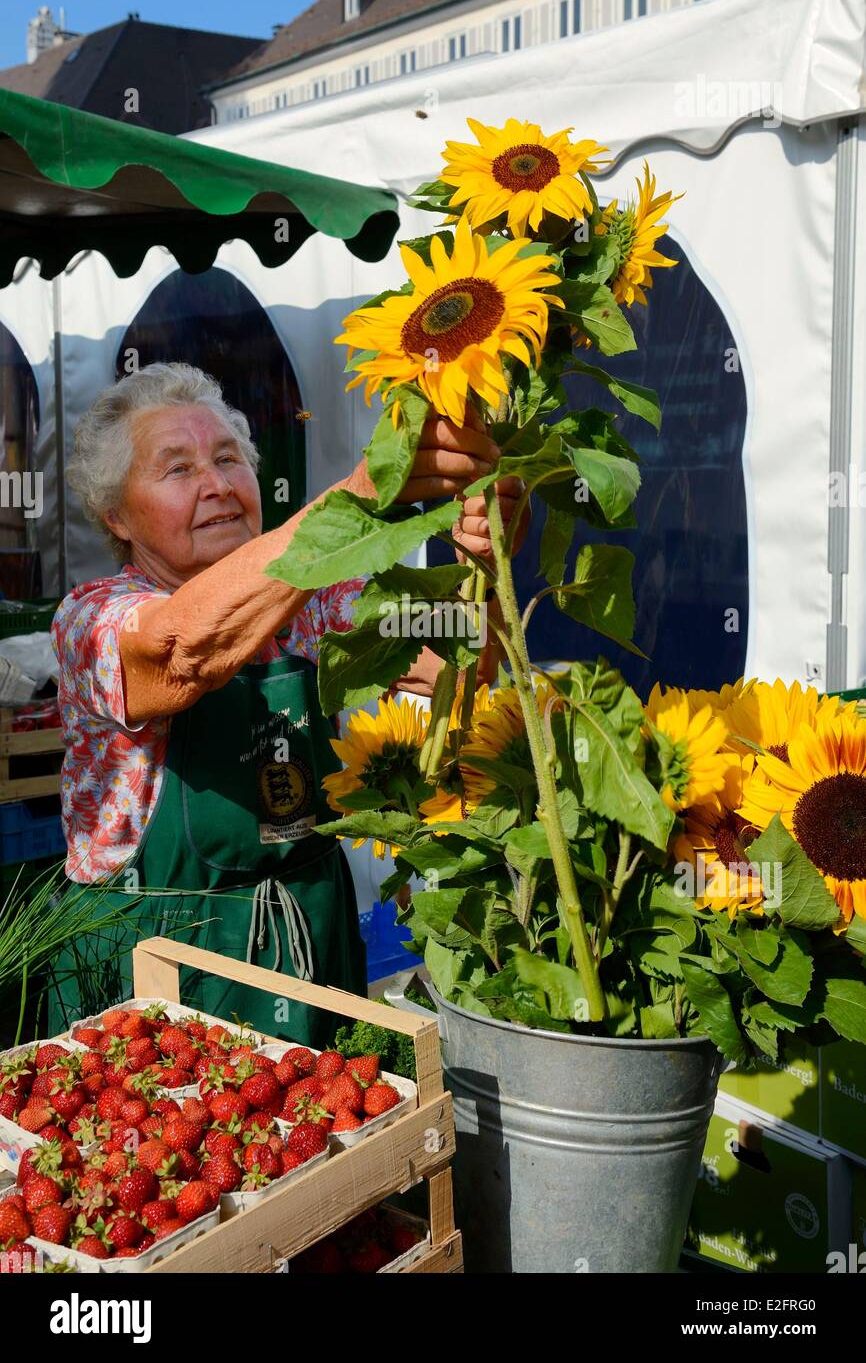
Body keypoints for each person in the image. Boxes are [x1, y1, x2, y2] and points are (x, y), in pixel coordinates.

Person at [49, 362, 523, 1044]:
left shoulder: (315, 602)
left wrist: (490, 558)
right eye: (178, 470)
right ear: (116, 516)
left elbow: (456, 662)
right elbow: (187, 649)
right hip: (156, 969)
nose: (217, 486)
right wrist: (354, 502)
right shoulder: (93, 618)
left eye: (228, 458)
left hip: (307, 940)